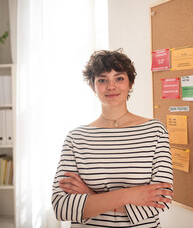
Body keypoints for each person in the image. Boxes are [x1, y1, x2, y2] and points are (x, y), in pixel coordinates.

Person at [52, 49, 173, 228]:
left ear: (130, 83)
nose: (111, 86)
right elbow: (62, 208)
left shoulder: (155, 131)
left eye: (119, 78)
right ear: (93, 86)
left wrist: (91, 197)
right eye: (102, 80)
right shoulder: (76, 138)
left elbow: (161, 200)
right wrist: (131, 195)